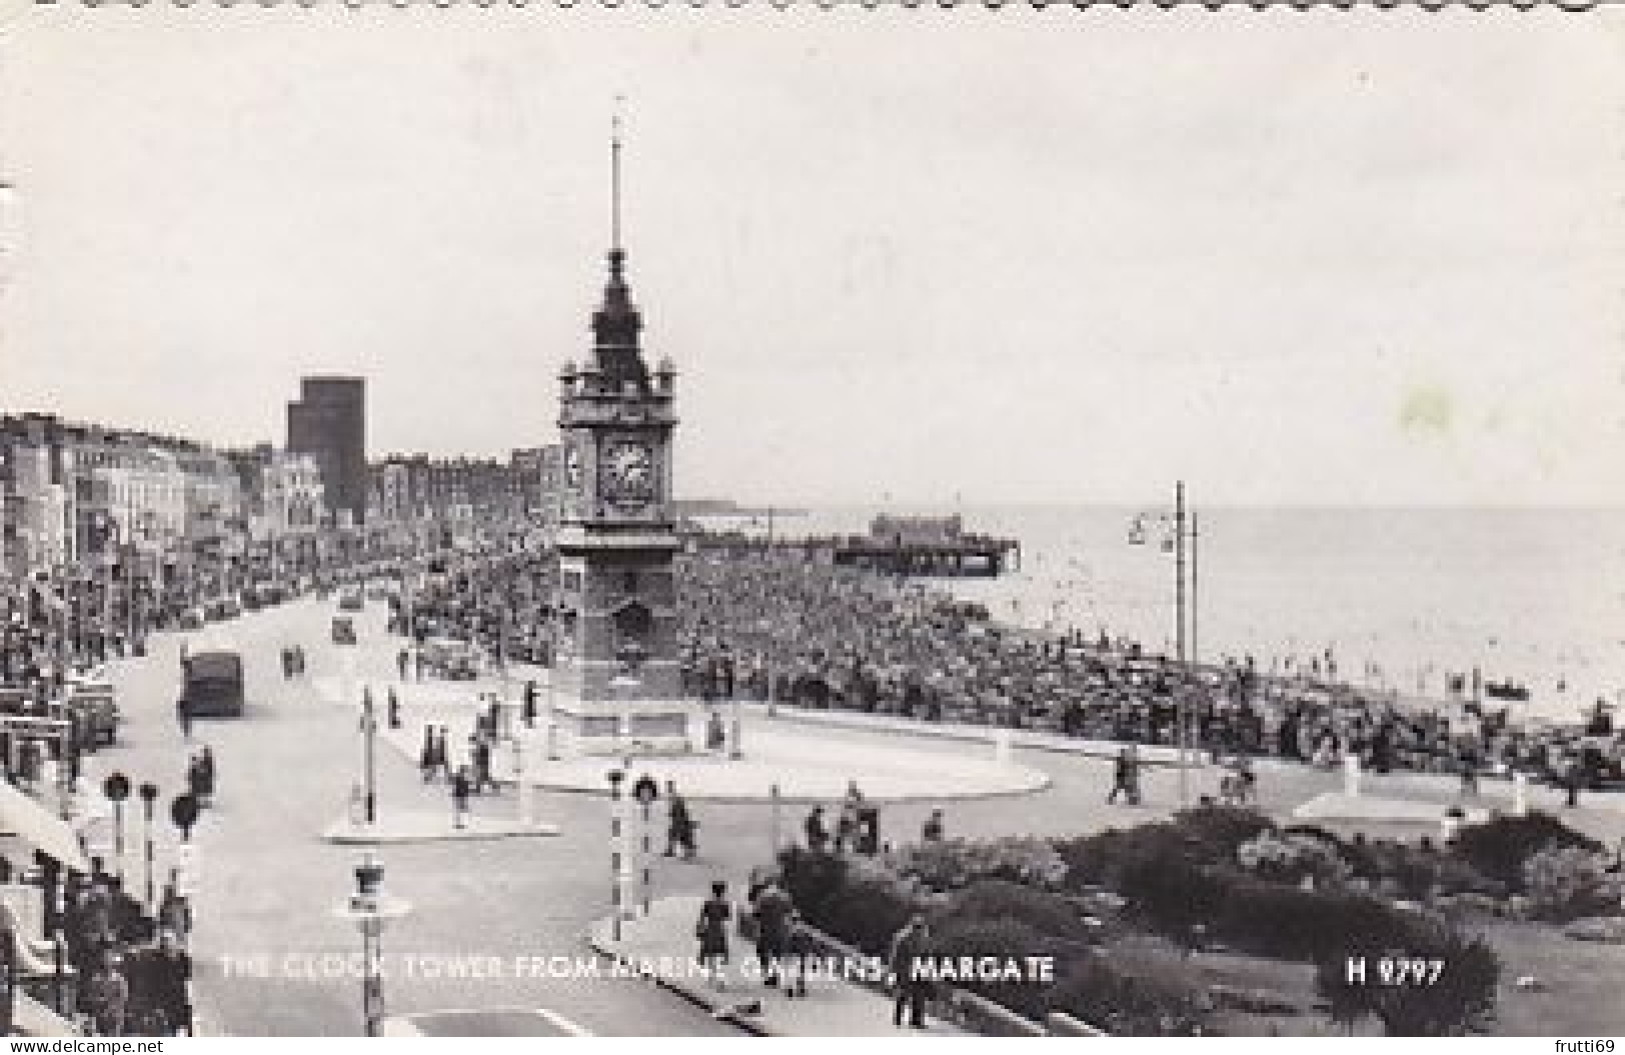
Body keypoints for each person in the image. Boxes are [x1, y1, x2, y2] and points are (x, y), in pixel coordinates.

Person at [887, 914, 933, 1030]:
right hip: (906, 970)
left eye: (920, 926)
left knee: (917, 995)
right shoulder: (903, 937)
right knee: (905, 994)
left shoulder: (922, 937)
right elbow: (895, 955)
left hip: (916, 970)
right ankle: (900, 1019)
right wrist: (893, 970)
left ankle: (914, 1020)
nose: (920, 928)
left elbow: (926, 954)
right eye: (918, 926)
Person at [752, 875, 793, 989]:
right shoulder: (785, 897)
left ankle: (767, 975)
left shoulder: (763, 895)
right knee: (777, 953)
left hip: (765, 928)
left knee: (762, 951)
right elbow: (789, 913)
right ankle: (775, 974)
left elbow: (756, 913)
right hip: (780, 928)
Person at [695, 881, 731, 991]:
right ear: (723, 891)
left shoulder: (708, 903)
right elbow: (727, 917)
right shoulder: (725, 904)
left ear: (713, 890)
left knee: (710, 954)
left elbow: (702, 917)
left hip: (710, 929)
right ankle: (720, 980)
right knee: (719, 954)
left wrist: (699, 928)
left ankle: (711, 977)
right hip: (720, 930)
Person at [666, 782, 697, 860]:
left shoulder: (676, 797)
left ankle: (688, 854)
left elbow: (680, 812)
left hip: (680, 821)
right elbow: (675, 810)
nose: (668, 789)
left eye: (669, 786)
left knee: (683, 837)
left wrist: (675, 816)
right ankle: (671, 851)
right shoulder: (673, 797)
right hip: (678, 820)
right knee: (673, 834)